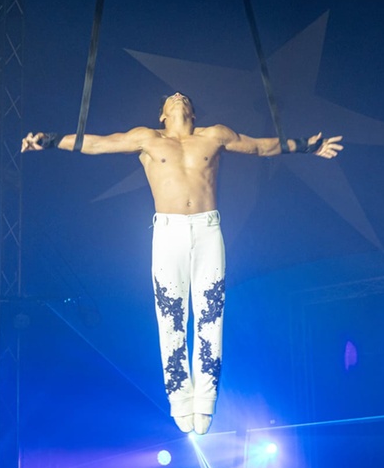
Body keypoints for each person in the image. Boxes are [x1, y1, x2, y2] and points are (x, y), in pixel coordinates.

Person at [21, 92, 343, 434]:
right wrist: (51, 141)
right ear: (162, 114)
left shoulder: (214, 135)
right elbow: (98, 143)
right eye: (170, 98)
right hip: (169, 232)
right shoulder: (147, 138)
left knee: (210, 312)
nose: (177, 96)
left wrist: (307, 146)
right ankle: (179, 400)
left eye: (183, 96)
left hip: (207, 229)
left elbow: (259, 147)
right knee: (171, 315)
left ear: (191, 110)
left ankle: (205, 401)